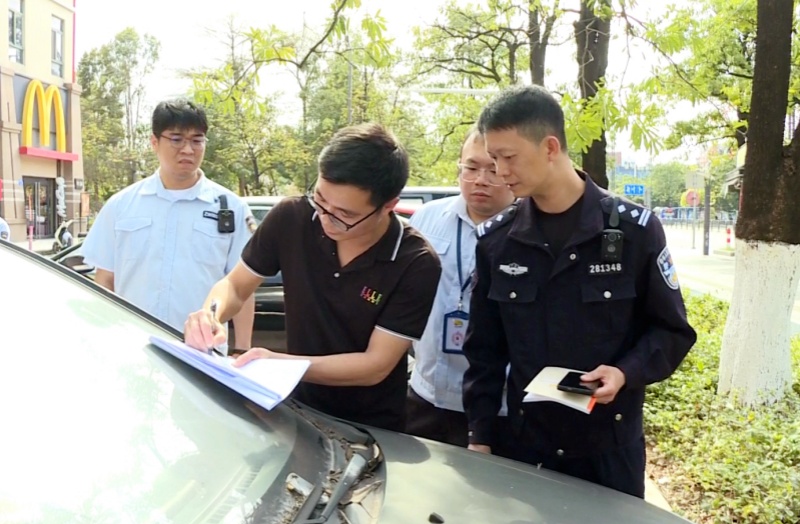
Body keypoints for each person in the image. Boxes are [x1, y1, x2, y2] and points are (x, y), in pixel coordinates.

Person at [462, 85, 697, 498]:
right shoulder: (498, 242)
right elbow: (484, 350)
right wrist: (480, 435)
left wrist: (624, 372)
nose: (499, 171)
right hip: (526, 445)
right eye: (493, 158)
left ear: (550, 147)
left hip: (609, 448)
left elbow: (671, 331)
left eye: (508, 157)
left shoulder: (633, 232)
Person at [183, 123, 442, 432]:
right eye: (319, 199)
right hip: (291, 408)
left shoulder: (415, 262)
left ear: (388, 206)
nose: (325, 219)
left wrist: (280, 364)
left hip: (371, 426)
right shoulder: (292, 218)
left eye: (344, 215)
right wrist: (211, 314)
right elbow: (235, 286)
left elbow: (375, 365)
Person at [81, 99, 255, 353]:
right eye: (176, 139)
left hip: (203, 353)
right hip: (132, 349)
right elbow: (105, 280)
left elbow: (242, 287)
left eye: (197, 140)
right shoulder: (121, 206)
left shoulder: (232, 209)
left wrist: (242, 349)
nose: (188, 149)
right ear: (154, 142)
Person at [405, 126, 516, 447]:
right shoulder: (426, 220)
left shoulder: (529, 231)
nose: (480, 180)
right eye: (471, 167)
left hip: (500, 407)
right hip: (427, 395)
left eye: (492, 169)